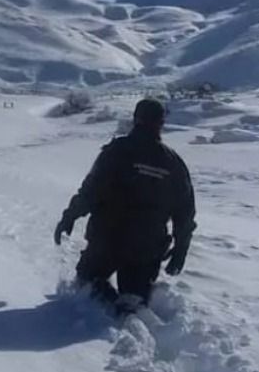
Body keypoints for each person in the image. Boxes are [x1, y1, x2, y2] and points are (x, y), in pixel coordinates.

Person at [54, 98, 196, 312]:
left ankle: (103, 306)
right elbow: (185, 212)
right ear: (161, 123)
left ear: (135, 119)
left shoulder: (116, 151)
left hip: (107, 242)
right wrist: (181, 249)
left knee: (86, 287)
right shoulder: (173, 163)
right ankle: (130, 312)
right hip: (146, 250)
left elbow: (91, 191)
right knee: (134, 300)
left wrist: (69, 217)